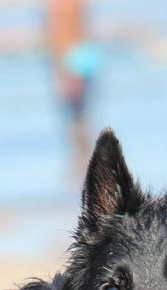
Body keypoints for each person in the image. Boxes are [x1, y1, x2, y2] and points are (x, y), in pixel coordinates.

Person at [47, 0, 102, 181]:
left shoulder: (63, 5)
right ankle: (82, 159)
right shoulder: (67, 5)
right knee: (79, 114)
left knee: (78, 115)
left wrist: (59, 69)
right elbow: (63, 35)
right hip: (77, 56)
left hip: (76, 57)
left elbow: (61, 35)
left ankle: (82, 161)